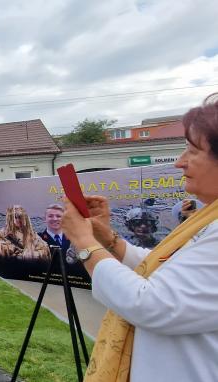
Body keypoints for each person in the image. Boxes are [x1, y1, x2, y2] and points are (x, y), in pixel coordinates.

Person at [60, 93, 218, 381]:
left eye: (192, 151)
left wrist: (84, 243)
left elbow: (152, 304)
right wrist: (108, 237)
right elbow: (165, 267)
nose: (179, 163)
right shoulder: (210, 217)